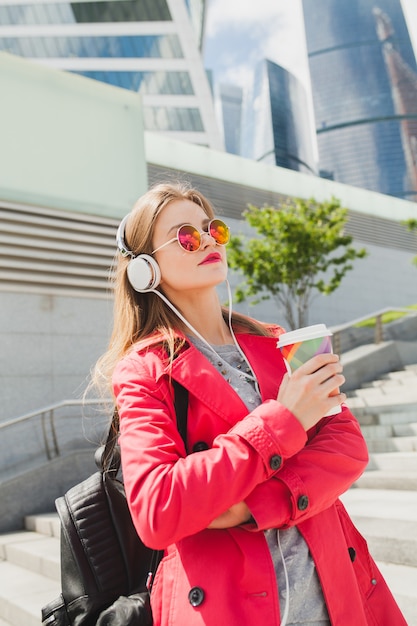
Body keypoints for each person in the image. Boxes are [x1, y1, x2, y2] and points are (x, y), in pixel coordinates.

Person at [93, 181, 407, 626]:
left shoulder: (281, 341)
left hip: (337, 594)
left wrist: (248, 507)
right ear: (146, 269)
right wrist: (285, 420)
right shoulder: (144, 370)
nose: (206, 241)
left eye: (212, 229)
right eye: (185, 236)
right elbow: (159, 507)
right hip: (225, 608)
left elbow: (348, 445)